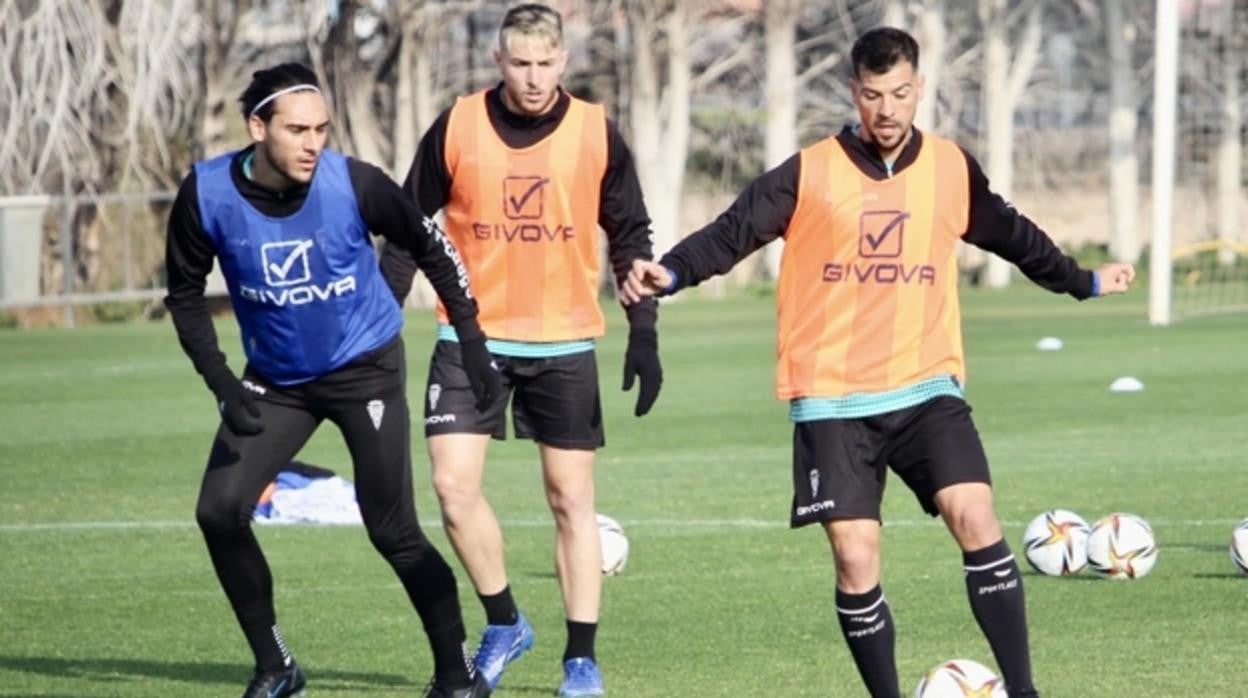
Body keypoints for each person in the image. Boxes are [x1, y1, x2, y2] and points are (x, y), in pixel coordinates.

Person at [622, 27, 1135, 698]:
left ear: (920, 89)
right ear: (853, 93)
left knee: (976, 517)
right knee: (855, 557)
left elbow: (1013, 234)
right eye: (872, 95)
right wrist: (675, 271)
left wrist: (1082, 281)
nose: (887, 110)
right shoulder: (810, 171)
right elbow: (733, 231)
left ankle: (1026, 691)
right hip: (832, 398)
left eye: (900, 94)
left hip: (925, 388)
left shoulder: (950, 168)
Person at [163, 62, 500, 698]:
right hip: (276, 380)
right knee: (219, 511)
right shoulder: (205, 193)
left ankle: (458, 678)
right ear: (256, 127)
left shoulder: (355, 183)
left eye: (321, 128)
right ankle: (277, 667)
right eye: (297, 130)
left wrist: (474, 341)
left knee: (392, 529)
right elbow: (183, 294)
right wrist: (222, 383)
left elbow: (434, 246)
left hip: (365, 369)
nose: (313, 143)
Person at [379, 4, 661, 696]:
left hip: (564, 339)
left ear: (562, 61)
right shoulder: (457, 125)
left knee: (570, 498)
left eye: (545, 64)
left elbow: (630, 235)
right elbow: (408, 229)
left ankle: (581, 661)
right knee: (451, 488)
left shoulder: (597, 132)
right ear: (499, 63)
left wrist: (644, 333)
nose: (533, 79)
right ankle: (504, 619)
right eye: (520, 64)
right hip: (468, 335)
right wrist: (380, 324)